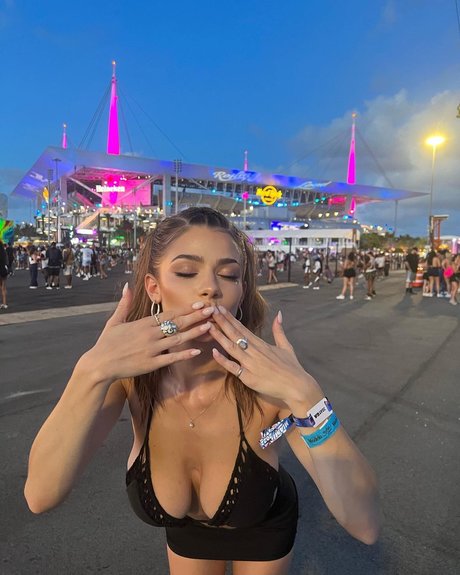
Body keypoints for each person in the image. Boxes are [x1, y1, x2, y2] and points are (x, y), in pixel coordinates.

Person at [24, 207, 380, 575]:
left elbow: (365, 525)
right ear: (154, 287)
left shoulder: (268, 385)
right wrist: (90, 371)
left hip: (264, 526)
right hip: (187, 533)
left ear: (241, 293)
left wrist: (307, 396)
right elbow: (39, 495)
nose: (211, 287)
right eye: (186, 271)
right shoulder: (129, 378)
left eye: (229, 274)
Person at [0, 240, 9, 309]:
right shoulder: (4, 252)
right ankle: (5, 303)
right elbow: (6, 261)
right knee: (3, 287)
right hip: (3, 269)